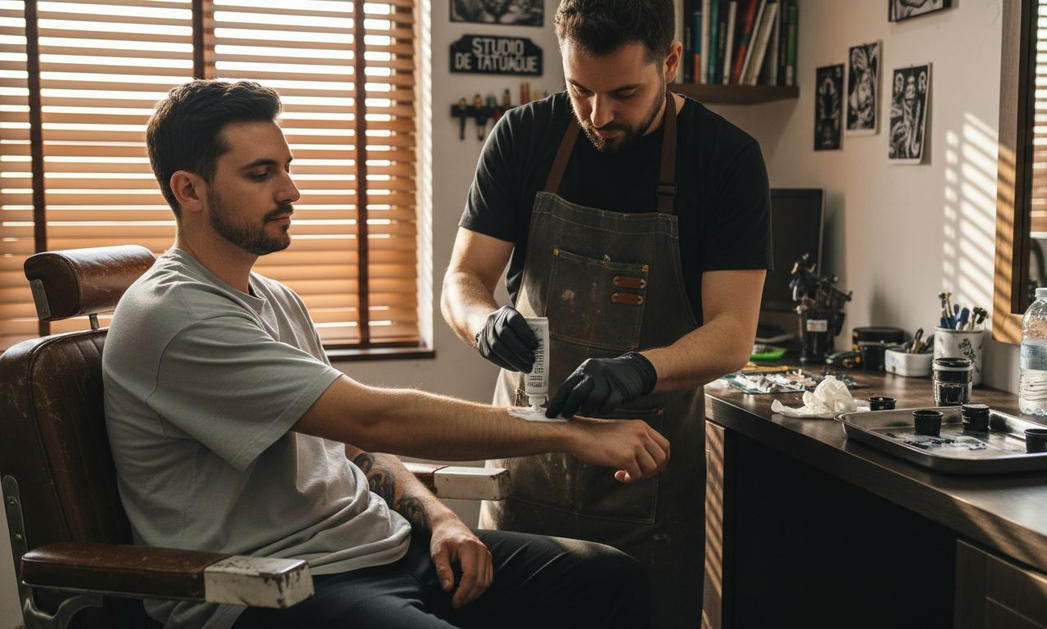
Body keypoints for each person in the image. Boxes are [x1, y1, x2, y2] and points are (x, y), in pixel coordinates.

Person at [103, 79, 671, 629]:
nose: (291, 191)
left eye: (286, 168)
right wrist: (571, 432)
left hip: (380, 549)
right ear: (189, 190)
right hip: (275, 586)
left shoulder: (274, 298)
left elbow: (353, 443)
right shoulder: (174, 317)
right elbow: (375, 416)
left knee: (609, 579)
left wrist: (441, 520)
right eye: (260, 174)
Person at [440, 0, 771, 626]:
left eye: (623, 93)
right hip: (524, 467)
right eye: (578, 90)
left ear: (670, 61)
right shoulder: (523, 136)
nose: (599, 115)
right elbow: (463, 279)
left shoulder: (725, 159)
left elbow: (733, 334)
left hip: (648, 486)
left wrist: (641, 369)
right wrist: (483, 320)